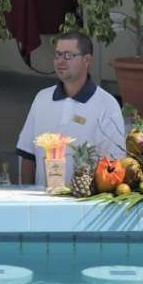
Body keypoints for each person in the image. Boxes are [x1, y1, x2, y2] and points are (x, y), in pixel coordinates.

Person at [17, 31, 126, 185]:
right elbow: (27, 154)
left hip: (85, 203)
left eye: (68, 56)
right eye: (57, 55)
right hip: (41, 201)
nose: (60, 61)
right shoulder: (42, 98)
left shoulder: (107, 104)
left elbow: (115, 163)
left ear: (86, 60)